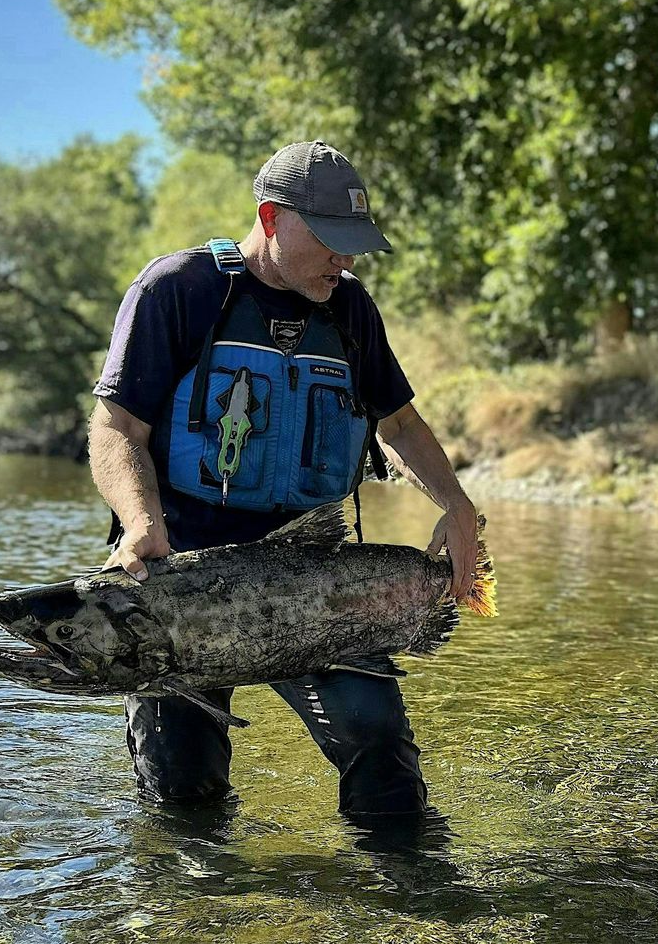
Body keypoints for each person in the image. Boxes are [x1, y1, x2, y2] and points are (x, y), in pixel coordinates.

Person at [87, 140, 479, 812]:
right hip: (178, 580)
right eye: (331, 239)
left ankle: (416, 902)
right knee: (183, 792)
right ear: (271, 219)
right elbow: (117, 428)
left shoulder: (350, 308)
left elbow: (401, 426)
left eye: (355, 241)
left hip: (316, 581)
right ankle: (196, 909)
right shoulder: (177, 291)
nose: (347, 258)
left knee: (380, 747)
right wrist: (141, 523)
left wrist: (458, 506)